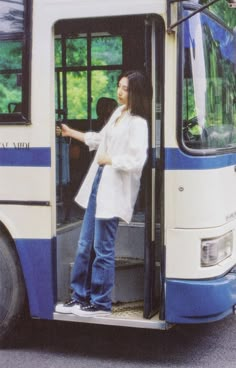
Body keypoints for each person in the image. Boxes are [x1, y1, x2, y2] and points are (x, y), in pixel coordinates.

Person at [56, 70, 151, 317]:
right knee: (84, 243)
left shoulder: (139, 123)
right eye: (119, 86)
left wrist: (111, 159)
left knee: (103, 248)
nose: (119, 92)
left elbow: (137, 159)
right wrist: (70, 133)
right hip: (99, 181)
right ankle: (79, 296)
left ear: (136, 93)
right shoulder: (118, 113)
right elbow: (98, 139)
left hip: (114, 186)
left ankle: (100, 303)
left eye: (125, 88)